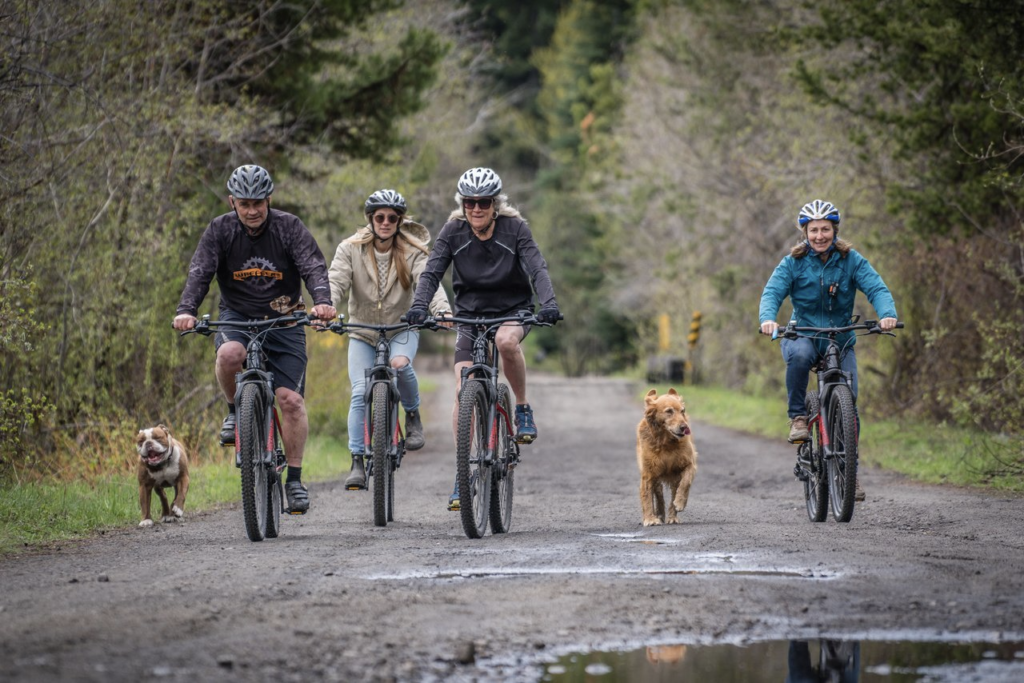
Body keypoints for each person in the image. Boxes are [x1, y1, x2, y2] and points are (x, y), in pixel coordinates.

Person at [173, 164, 336, 514]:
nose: (251, 211)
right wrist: (187, 309)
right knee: (230, 354)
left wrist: (322, 301)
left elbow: (312, 265)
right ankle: (234, 412)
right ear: (233, 201)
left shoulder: (289, 227)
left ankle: (294, 479)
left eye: (258, 203)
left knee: (290, 401)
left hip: (285, 319)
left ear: (269, 199)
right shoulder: (220, 230)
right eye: (244, 203)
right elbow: (200, 271)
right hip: (237, 316)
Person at [405, 167, 560, 510]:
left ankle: (521, 408)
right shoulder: (453, 231)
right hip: (470, 314)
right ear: (463, 204)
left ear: (495, 204)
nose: (476, 209)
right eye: (470, 202)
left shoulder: (515, 228)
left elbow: (537, 267)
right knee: (463, 387)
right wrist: (419, 306)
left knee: (506, 342)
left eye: (483, 202)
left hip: (512, 310)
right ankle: (463, 474)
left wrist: (548, 304)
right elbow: (432, 271)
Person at [759, 200, 897, 500]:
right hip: (804, 332)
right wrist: (768, 319)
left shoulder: (851, 260)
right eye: (813, 230)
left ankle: (850, 472)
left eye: (825, 229)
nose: (819, 235)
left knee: (851, 402)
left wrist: (887, 313)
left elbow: (876, 287)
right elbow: (773, 291)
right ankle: (798, 416)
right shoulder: (793, 262)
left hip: (841, 336)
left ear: (835, 231)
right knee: (799, 356)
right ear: (804, 232)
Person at [327, 189, 451, 490]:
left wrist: (441, 310)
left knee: (399, 363)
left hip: (401, 328)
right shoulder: (349, 249)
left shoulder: (414, 250)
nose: (385, 222)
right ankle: (357, 459)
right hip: (362, 331)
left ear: (399, 221)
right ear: (370, 219)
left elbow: (428, 282)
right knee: (359, 392)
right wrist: (326, 308)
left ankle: (412, 415)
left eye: (392, 218)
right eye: (379, 217)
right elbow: (336, 280)